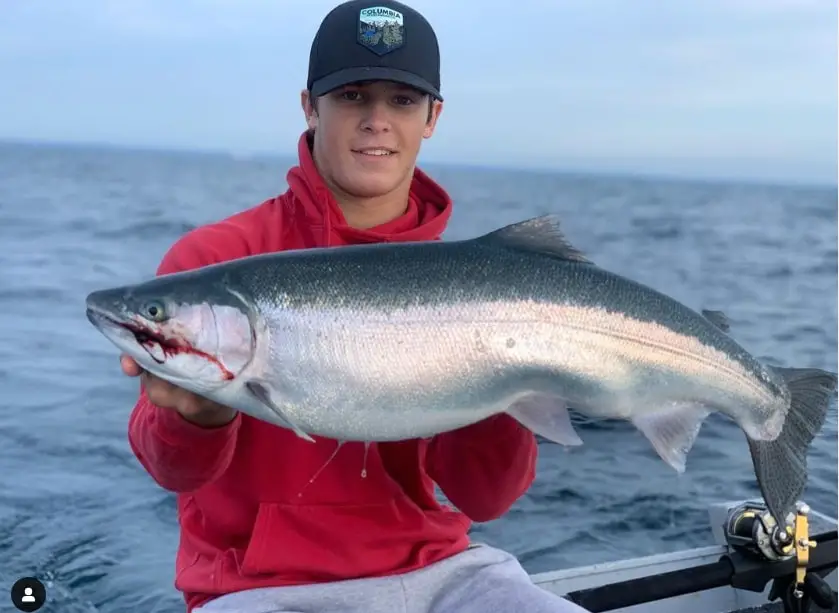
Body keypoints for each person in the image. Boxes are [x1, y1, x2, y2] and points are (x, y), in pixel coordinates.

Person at [121, 1, 590, 612]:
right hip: (260, 590)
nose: (376, 120)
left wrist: (511, 387)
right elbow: (171, 471)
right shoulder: (215, 259)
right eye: (351, 96)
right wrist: (193, 419)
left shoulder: (477, 290)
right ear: (310, 106)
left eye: (402, 100)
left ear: (433, 118)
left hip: (443, 571)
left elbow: (486, 500)